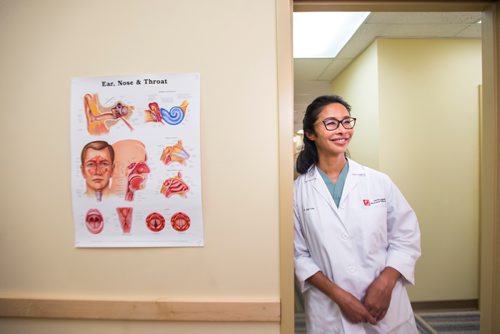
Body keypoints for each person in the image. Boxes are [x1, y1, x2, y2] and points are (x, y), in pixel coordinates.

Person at [294, 95, 421, 333]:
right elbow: (298, 255)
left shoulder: (379, 182)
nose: (342, 130)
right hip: (330, 309)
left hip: (386, 304)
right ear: (311, 133)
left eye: (346, 122)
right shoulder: (297, 192)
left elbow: (406, 236)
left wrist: (386, 282)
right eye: (331, 123)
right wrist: (341, 297)